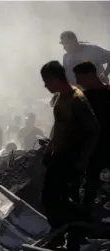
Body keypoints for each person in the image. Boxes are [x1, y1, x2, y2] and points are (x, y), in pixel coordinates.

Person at [40, 61, 100, 249]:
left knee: (56, 199)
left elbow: (94, 131)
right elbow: (59, 127)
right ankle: (65, 234)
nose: (45, 86)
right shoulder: (61, 97)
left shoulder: (77, 99)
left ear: (55, 79)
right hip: (59, 157)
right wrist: (50, 148)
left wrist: (82, 162)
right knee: (53, 199)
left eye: (46, 81)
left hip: (70, 159)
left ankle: (83, 226)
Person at [73, 61, 110, 216]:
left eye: (79, 78)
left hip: (98, 151)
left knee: (92, 189)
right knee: (91, 190)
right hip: (95, 153)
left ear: (90, 75)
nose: (77, 82)